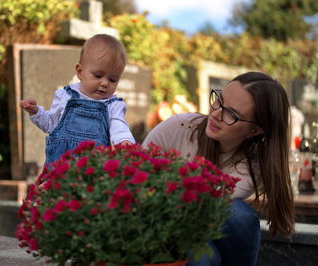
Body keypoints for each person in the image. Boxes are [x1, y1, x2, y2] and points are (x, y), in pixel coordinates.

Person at [142, 72, 295, 265]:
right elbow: (136, 176)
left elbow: (200, 215)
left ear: (255, 130)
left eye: (231, 114)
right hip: (156, 225)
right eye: (219, 101)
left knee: (238, 215)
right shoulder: (177, 128)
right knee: (206, 259)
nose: (215, 114)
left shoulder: (254, 165)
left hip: (197, 225)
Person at [20, 34, 135, 164]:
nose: (105, 83)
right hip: (60, 166)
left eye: (112, 80)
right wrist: (36, 112)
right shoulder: (65, 95)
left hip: (92, 168)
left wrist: (125, 142)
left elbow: (119, 127)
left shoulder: (112, 105)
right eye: (98, 75)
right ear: (80, 72)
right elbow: (51, 124)